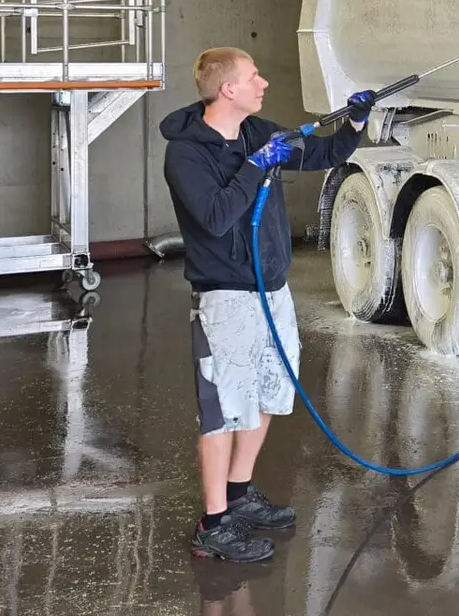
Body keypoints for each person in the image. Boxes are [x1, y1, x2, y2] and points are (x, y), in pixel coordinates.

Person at [162, 47, 374, 562]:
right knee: (222, 410)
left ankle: (238, 493)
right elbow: (215, 217)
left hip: (272, 289)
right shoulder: (186, 154)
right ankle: (213, 524)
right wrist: (256, 166)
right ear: (227, 89)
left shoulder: (258, 132)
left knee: (268, 391)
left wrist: (355, 122)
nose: (264, 84)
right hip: (226, 295)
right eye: (253, 77)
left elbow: (322, 154)